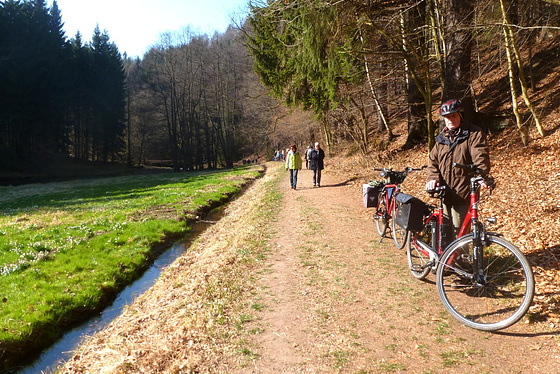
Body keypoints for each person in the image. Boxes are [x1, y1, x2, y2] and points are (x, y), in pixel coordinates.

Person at [426, 99, 490, 241]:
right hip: (444, 193)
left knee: (461, 237)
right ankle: (445, 262)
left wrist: (481, 174)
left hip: (463, 194)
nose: (451, 120)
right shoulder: (441, 138)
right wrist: (432, 179)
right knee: (445, 233)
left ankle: (461, 263)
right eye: (447, 117)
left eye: (454, 116)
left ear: (460, 115)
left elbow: (480, 156)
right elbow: (433, 162)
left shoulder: (473, 134)